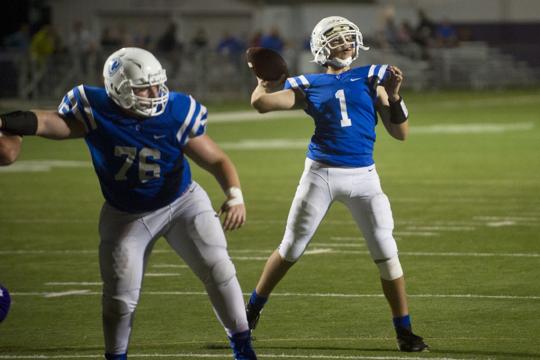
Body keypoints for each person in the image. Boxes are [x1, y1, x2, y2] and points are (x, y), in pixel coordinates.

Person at [0, 47, 257, 360]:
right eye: (143, 87)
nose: (154, 93)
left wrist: (234, 195)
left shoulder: (175, 111)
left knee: (219, 268)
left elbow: (216, 158)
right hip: (126, 215)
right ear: (118, 90)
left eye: (157, 84)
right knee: (119, 300)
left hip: (182, 201)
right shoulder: (95, 110)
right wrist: (10, 122)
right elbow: (49, 123)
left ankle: (243, 348)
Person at [245, 16, 428, 352]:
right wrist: (263, 80)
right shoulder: (309, 83)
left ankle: (404, 331)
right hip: (321, 174)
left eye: (349, 39)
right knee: (291, 248)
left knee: (387, 252)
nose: (346, 45)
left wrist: (396, 95)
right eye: (338, 40)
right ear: (321, 48)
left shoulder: (373, 78)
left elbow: (400, 133)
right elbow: (261, 104)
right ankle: (251, 311)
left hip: (364, 178)